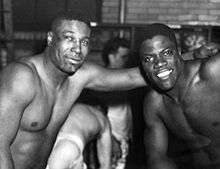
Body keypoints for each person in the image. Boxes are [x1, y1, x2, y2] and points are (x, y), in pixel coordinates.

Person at [0, 11, 146, 169]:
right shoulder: (22, 76)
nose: (77, 49)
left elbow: (131, 78)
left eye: (84, 42)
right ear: (51, 39)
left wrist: (168, 65)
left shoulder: (79, 76)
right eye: (69, 38)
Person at [139, 23, 220, 169]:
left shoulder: (213, 71)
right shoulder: (154, 103)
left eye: (167, 53)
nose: (160, 63)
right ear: (142, 66)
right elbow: (157, 157)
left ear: (179, 52)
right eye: (148, 59)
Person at [46, 103, 111, 169]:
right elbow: (105, 163)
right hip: (68, 146)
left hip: (53, 140)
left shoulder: (75, 103)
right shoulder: (102, 120)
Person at [101, 37, 133, 169]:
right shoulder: (101, 80)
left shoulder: (122, 78)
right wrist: (112, 140)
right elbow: (98, 111)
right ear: (111, 56)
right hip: (110, 140)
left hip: (123, 139)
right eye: (123, 57)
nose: (126, 61)